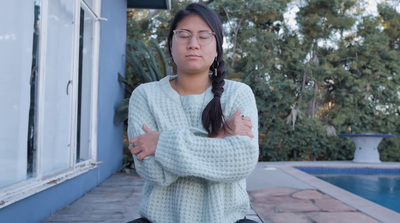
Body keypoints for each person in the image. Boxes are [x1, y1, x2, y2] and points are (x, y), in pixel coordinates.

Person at [127, 3, 259, 223]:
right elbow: (155, 173)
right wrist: (219, 136)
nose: (193, 44)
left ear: (217, 47)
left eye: (204, 36)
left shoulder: (238, 94)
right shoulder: (145, 95)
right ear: (170, 44)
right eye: (184, 35)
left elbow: (241, 162)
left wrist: (161, 143)